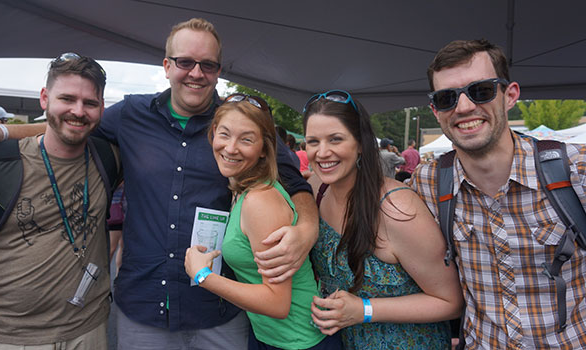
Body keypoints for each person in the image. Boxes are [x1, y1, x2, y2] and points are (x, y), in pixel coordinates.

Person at [0, 17, 317, 350]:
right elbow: (71, 124)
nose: (196, 73)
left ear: (218, 70)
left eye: (208, 64)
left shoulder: (237, 123)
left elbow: (292, 181)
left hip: (218, 310)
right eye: (185, 62)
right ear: (167, 65)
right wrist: (0, 132)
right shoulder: (131, 113)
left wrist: (306, 229)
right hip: (144, 309)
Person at [409, 39, 586, 349]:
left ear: (510, 95)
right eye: (447, 98)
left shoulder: (576, 168)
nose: (464, 107)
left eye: (481, 91)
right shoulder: (428, 182)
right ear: (435, 111)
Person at [303, 90, 464, 349]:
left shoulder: (396, 208)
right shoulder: (317, 189)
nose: (322, 152)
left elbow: (451, 301)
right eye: (313, 142)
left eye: (335, 139)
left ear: (360, 143)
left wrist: (365, 309)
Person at [184, 93, 341, 350]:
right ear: (213, 134)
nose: (231, 147)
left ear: (263, 149)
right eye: (224, 134)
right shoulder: (242, 190)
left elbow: (277, 303)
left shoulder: (260, 200)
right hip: (271, 338)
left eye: (246, 139)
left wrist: (203, 276)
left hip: (300, 341)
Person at [0, 53, 117, 349]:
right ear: (44, 98)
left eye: (90, 103)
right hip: (9, 337)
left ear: (102, 108)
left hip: (89, 330)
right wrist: (4, 134)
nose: (78, 111)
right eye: (67, 99)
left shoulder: (109, 158)